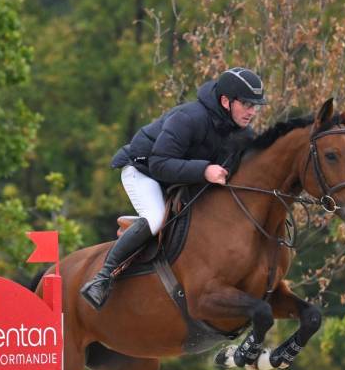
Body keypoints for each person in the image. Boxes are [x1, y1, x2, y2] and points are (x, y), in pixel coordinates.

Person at [79, 67, 267, 309]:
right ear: (225, 101)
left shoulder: (239, 129)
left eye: (256, 106)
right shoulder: (189, 118)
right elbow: (159, 164)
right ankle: (102, 278)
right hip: (144, 170)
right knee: (156, 219)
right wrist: (204, 170)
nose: (252, 112)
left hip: (178, 177)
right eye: (247, 104)